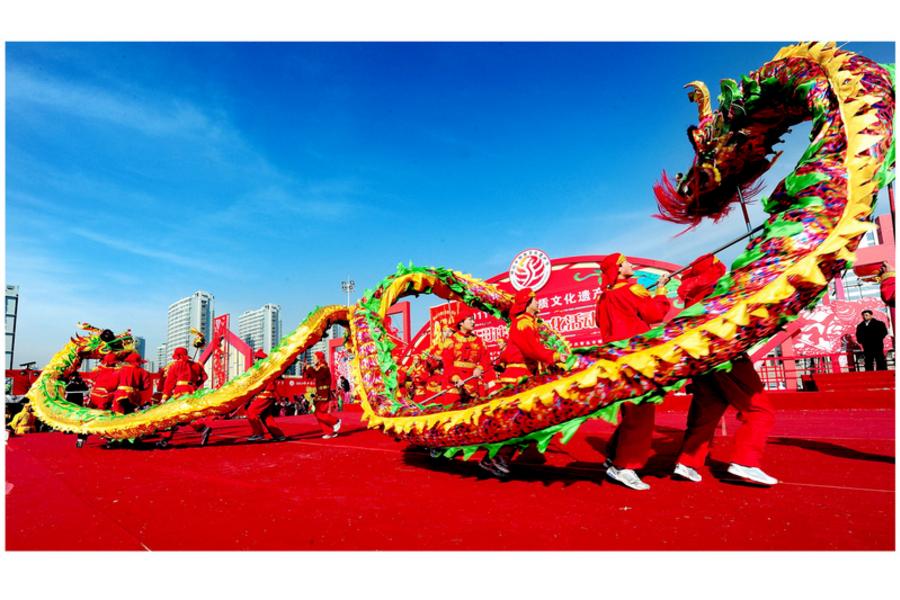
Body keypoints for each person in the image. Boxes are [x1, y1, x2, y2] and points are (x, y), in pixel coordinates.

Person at [671, 254, 778, 486]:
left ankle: (687, 463)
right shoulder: (718, 291)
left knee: (706, 415)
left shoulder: (691, 301)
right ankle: (746, 462)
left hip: (702, 361)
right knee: (760, 409)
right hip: (727, 355)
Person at [594, 253, 670, 491]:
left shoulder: (604, 298)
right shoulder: (633, 290)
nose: (630, 265)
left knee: (631, 412)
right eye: (625, 262)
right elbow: (655, 315)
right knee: (641, 413)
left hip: (616, 360)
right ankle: (624, 466)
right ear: (618, 268)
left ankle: (614, 456)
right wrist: (661, 291)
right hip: (636, 358)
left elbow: (601, 323)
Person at [480, 288, 563, 477]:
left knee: (520, 419)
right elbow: (532, 350)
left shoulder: (529, 323)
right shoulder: (522, 324)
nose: (538, 303)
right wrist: (556, 356)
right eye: (535, 300)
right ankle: (500, 456)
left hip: (527, 375)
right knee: (519, 419)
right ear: (527, 303)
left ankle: (494, 456)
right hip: (519, 377)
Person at [157, 346, 213, 447]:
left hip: (180, 392)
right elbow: (205, 377)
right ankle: (203, 429)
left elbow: (169, 383)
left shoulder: (175, 366)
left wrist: (164, 397)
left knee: (171, 415)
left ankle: (165, 439)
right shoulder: (196, 365)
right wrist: (195, 384)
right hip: (191, 392)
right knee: (188, 415)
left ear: (177, 356)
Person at [440, 306, 497, 405]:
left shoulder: (479, 341)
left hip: (473, 381)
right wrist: (456, 379)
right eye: (470, 320)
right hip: (454, 383)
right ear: (461, 323)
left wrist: (479, 368)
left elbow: (485, 359)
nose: (473, 322)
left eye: (474, 320)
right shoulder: (451, 341)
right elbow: (447, 365)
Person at [245, 350, 288, 442]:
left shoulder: (263, 369)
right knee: (266, 416)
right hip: (268, 395)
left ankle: (258, 434)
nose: (254, 360)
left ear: (259, 359)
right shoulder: (265, 368)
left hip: (266, 394)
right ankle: (279, 435)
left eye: (255, 358)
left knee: (251, 411)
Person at [303, 351, 342, 439]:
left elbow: (318, 376)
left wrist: (310, 368)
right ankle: (329, 432)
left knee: (319, 413)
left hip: (324, 394)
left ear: (319, 358)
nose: (313, 360)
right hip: (319, 394)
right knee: (317, 414)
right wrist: (306, 368)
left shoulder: (324, 368)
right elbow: (308, 377)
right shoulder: (318, 368)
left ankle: (336, 421)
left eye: (314, 358)